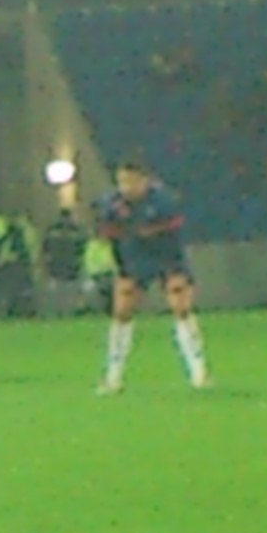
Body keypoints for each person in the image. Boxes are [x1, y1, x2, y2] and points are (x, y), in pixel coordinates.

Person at [93, 160, 212, 393]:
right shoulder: (111, 205)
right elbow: (111, 236)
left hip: (166, 257)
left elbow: (174, 234)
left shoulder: (164, 201)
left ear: (145, 180)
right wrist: (123, 267)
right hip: (134, 256)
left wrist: (175, 269)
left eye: (131, 181)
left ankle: (199, 372)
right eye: (122, 181)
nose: (126, 187)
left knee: (181, 307)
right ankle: (113, 377)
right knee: (122, 311)